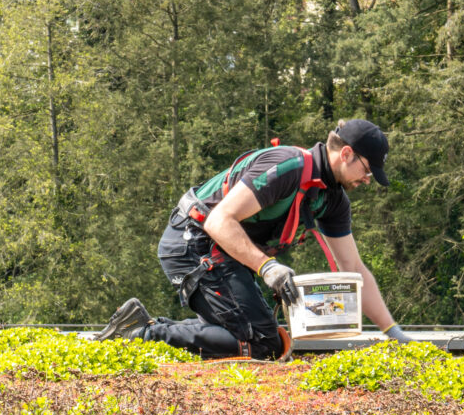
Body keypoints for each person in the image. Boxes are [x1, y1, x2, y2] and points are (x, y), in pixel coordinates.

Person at [97, 119, 413, 359]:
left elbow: (353, 267)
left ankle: (141, 327)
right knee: (262, 343)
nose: (368, 180)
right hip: (191, 241)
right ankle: (140, 334)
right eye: (368, 171)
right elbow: (219, 221)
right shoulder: (287, 165)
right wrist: (268, 268)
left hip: (222, 253)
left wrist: (393, 331)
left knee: (258, 337)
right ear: (346, 154)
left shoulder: (333, 200)